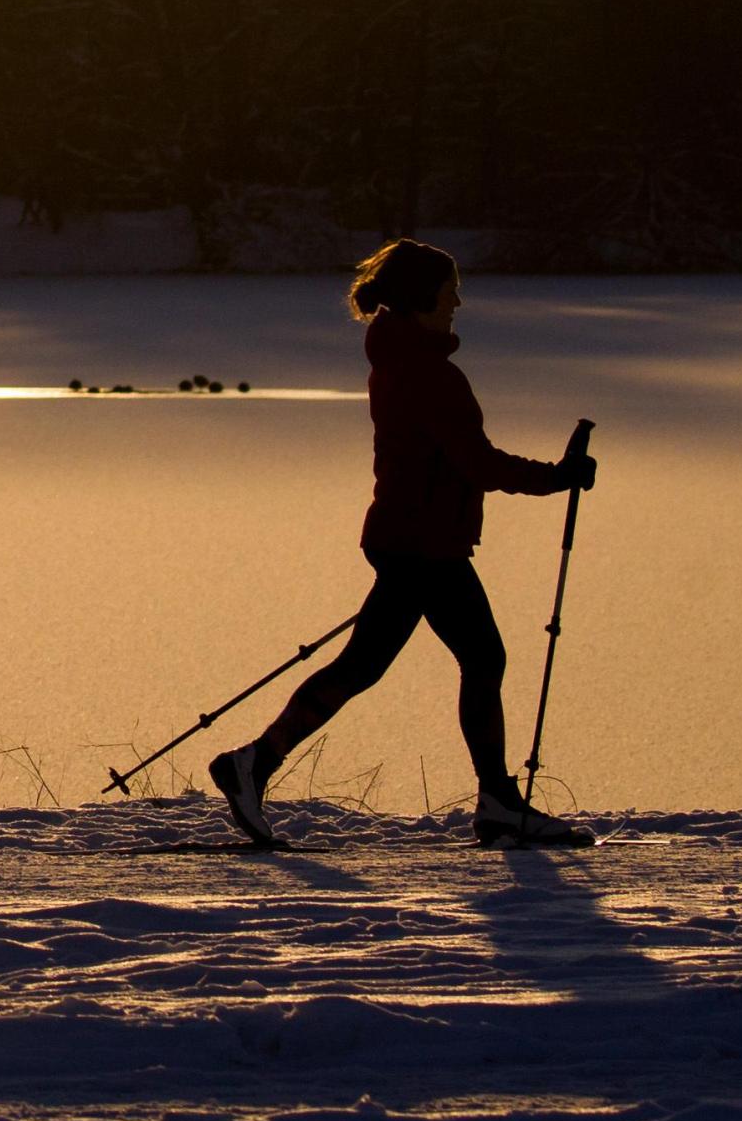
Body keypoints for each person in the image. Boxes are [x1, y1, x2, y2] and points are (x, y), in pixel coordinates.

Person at [208, 239, 595, 847]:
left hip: (408, 538)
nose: (458, 302)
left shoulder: (400, 359)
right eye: (449, 293)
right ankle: (496, 801)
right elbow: (477, 463)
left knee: (370, 665)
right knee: (479, 658)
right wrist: (556, 477)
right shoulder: (426, 372)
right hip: (423, 544)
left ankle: (253, 763)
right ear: (420, 300)